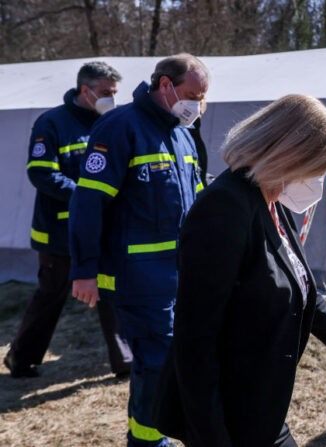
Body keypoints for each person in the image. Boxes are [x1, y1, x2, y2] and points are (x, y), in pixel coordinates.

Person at [151, 94, 326, 447]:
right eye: (316, 167)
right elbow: (195, 339)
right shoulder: (225, 208)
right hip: (228, 413)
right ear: (290, 154)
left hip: (261, 406)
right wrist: (212, 438)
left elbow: (305, 292)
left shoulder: (269, 201)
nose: (316, 178)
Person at [69, 54, 207, 447]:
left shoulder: (183, 134)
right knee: (159, 363)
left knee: (171, 363)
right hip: (137, 277)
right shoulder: (119, 127)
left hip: (179, 274)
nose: (197, 105)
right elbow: (87, 204)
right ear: (165, 85)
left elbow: (194, 200)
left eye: (203, 97)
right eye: (193, 94)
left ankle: (156, 434)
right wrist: (84, 270)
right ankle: (148, 442)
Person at [4, 62, 132, 379]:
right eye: (105, 93)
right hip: (58, 232)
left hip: (103, 227)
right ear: (85, 90)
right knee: (51, 295)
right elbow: (41, 173)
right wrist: (86, 196)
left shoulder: (114, 121)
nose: (111, 99)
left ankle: (124, 361)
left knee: (111, 292)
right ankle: (22, 358)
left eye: (115, 93)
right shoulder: (51, 123)